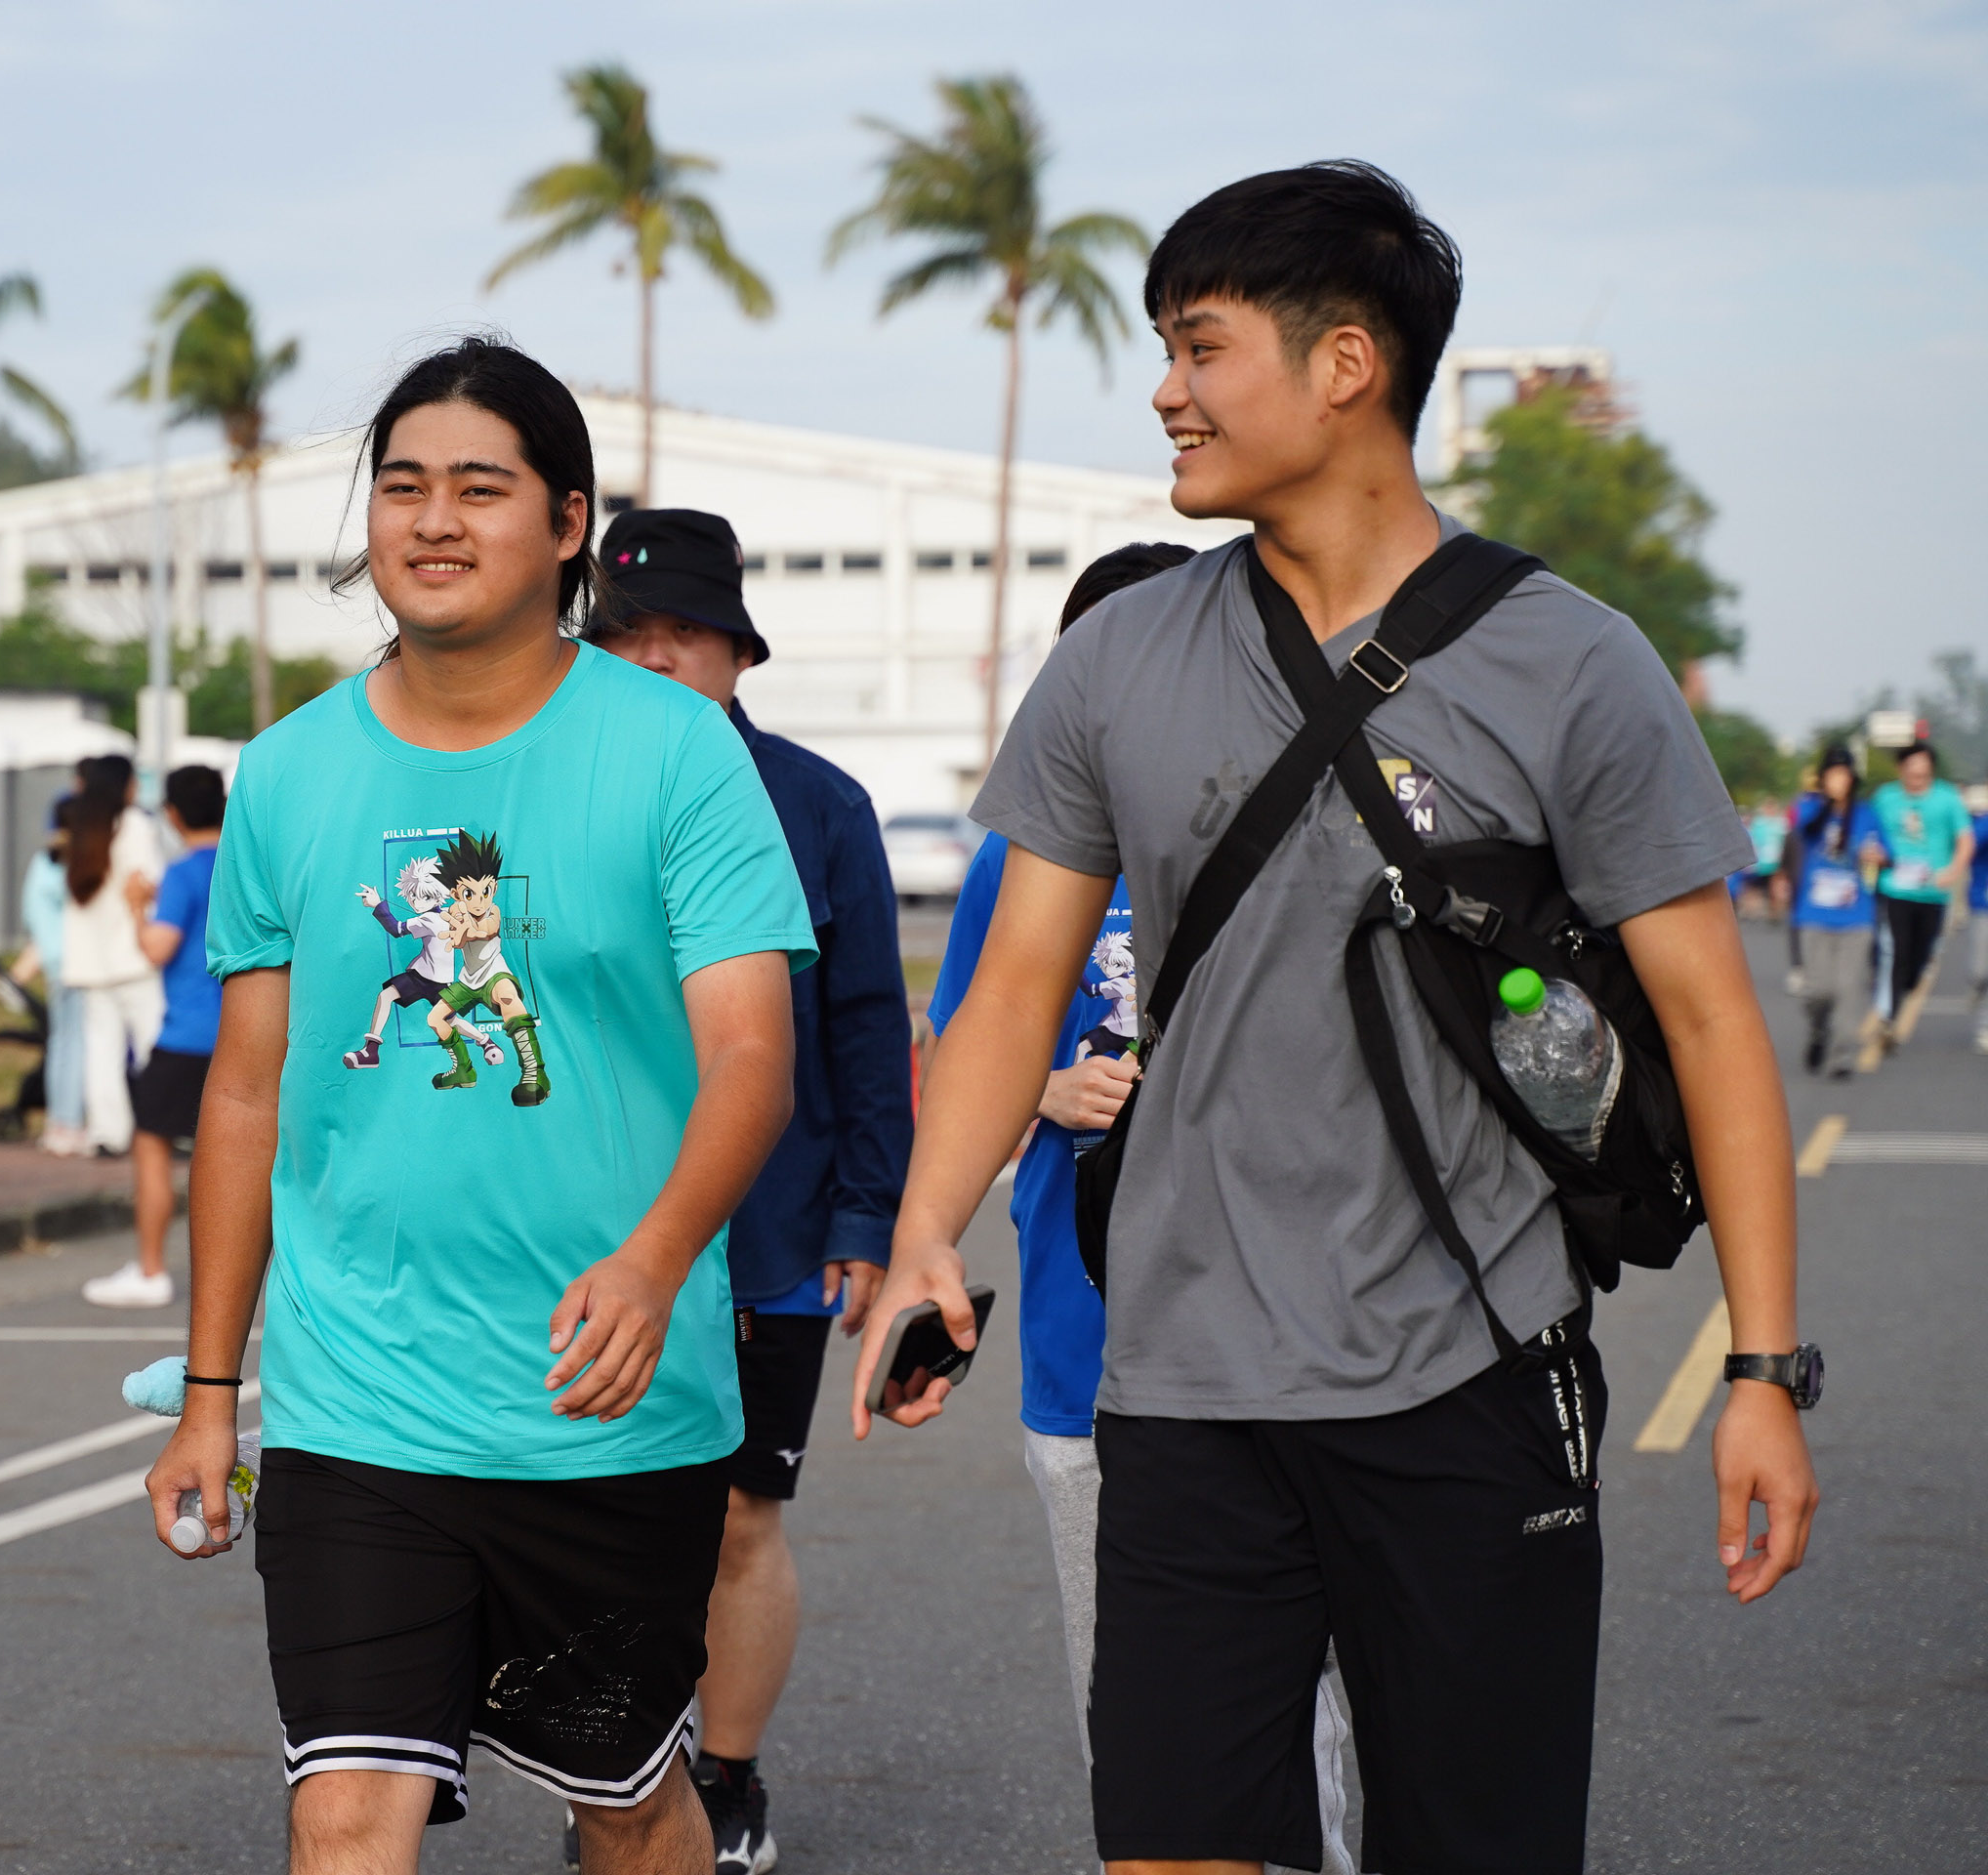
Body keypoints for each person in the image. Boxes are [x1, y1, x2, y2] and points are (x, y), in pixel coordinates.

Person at [862, 162, 1819, 1875]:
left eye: (1201, 347)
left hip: (1475, 1373)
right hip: (1183, 1390)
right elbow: (1013, 984)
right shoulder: (1116, 661)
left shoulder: (1575, 664)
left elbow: (1712, 1023)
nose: (1166, 391)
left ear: (1347, 366)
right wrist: (929, 1226)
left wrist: (1761, 1369)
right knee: (1171, 1848)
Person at [144, 338, 811, 1875]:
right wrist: (209, 1392)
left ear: (569, 523)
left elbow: (751, 1059)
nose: (433, 520)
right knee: (345, 1811)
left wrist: (653, 1262)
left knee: (626, 1805)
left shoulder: (676, 751)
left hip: (603, 1406)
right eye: (402, 486)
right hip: (359, 1401)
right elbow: (243, 1095)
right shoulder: (288, 771)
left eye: (479, 487)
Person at [924, 540, 1362, 1875]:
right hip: (1090, 1353)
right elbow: (961, 1053)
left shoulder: (1309, 820)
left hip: (1298, 1348)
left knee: (1320, 1700)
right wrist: (1047, 1089)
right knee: (1133, 1708)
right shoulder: (1019, 860)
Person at [586, 505, 912, 1875]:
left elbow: (869, 1023)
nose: (659, 659)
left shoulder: (819, 806)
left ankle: (723, 1777)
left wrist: (869, 1216)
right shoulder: (548, 791)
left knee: (735, 1519)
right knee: (596, 1516)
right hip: (582, 1231)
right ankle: (617, 1780)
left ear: (738, 652)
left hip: (771, 1237)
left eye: (687, 633)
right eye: (629, 636)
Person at [84, 764, 226, 1311]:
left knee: (151, 1145)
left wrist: (137, 908)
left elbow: (157, 949)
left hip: (187, 1034)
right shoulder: (245, 870)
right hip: (243, 1031)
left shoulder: (183, 874)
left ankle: (150, 1270)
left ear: (172, 814)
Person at [59, 757, 164, 1156]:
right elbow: (147, 883)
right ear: (124, 784)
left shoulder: (80, 827)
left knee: (101, 1051)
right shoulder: (135, 824)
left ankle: (108, 1133)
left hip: (90, 963)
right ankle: (161, 1126)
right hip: (134, 957)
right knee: (153, 1044)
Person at [1861, 739, 1972, 1032]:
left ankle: (1908, 985)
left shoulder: (1947, 798)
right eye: (1911, 767)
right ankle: (1890, 1013)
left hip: (1933, 890)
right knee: (1895, 950)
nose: (1917, 773)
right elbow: (1869, 832)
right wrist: (1873, 853)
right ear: (1901, 768)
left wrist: (1954, 871)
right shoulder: (1885, 797)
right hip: (1894, 886)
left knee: (1920, 956)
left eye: (1923, 767)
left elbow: (1965, 839)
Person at [1785, 748, 1878, 1077]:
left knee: (1848, 989)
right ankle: (1819, 1029)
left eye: (1844, 774)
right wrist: (1829, 805)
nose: (1839, 780)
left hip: (1856, 917)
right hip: (1814, 915)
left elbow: (1887, 852)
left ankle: (1842, 1056)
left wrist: (1877, 856)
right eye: (1833, 774)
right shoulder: (1810, 809)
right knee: (1819, 990)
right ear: (1823, 779)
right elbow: (1802, 832)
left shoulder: (1866, 814)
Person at [19, 797, 87, 1156]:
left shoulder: (43, 861)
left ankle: (58, 1123)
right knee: (76, 1044)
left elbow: (30, 913)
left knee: (61, 1043)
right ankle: (71, 1124)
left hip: (53, 963)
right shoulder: (74, 862)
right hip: (76, 963)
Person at [1967, 781, 1988, 1055]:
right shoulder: (1984, 824)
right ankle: (1976, 986)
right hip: (1983, 905)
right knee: (1980, 971)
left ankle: (1985, 1026)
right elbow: (1968, 845)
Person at [1743, 796, 1789, 921]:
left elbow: (1785, 843)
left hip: (1775, 863)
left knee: (1774, 888)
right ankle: (1750, 911)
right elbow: (1753, 842)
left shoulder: (1781, 824)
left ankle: (1774, 914)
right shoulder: (1759, 824)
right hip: (1760, 863)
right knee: (1753, 888)